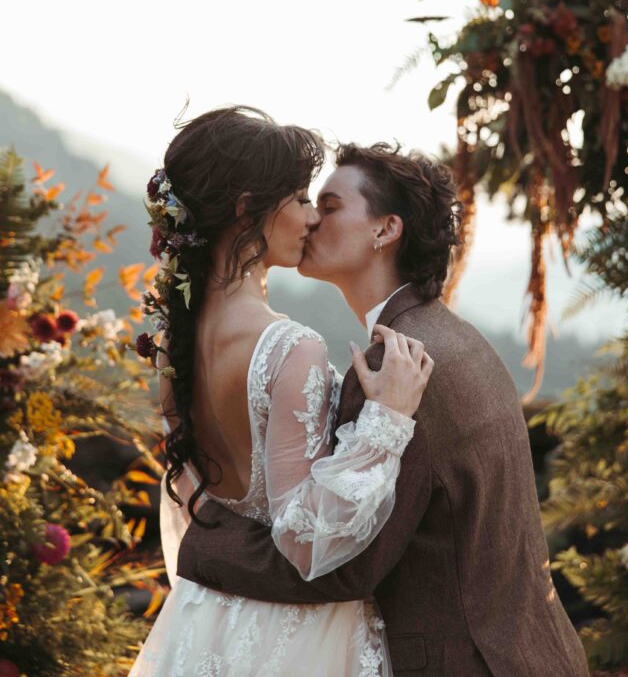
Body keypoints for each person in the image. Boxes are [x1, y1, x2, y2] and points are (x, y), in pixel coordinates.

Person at [177, 141, 591, 677]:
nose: (307, 220)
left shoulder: (395, 371)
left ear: (384, 230)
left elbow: (344, 568)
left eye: (328, 207)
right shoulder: (451, 335)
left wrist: (203, 542)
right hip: (530, 651)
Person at [128, 106, 434, 677]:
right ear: (248, 210)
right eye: (297, 199)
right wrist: (387, 420)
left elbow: (199, 503)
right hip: (295, 638)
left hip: (205, 616)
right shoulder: (290, 347)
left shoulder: (176, 341)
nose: (310, 218)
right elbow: (303, 537)